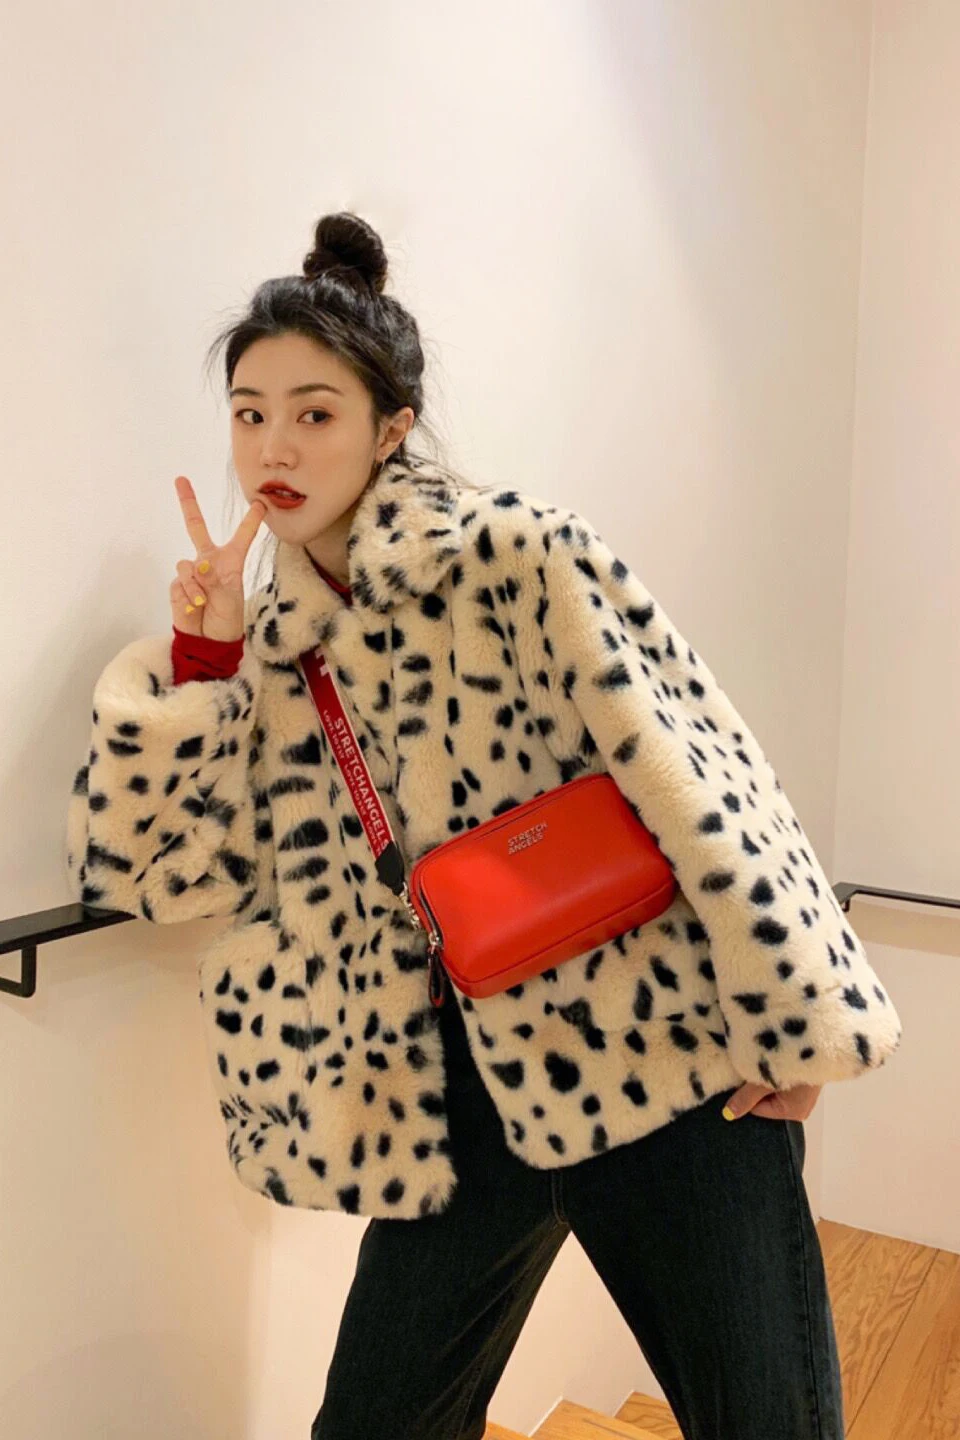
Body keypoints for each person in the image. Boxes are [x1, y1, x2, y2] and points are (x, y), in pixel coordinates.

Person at [67, 212, 903, 1440]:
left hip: (659, 1055)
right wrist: (203, 658)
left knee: (765, 1419)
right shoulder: (275, 648)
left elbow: (702, 770)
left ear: (390, 426)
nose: (273, 448)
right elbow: (158, 875)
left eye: (314, 412)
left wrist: (797, 1014)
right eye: (249, 414)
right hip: (453, 1100)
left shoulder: (519, 553)